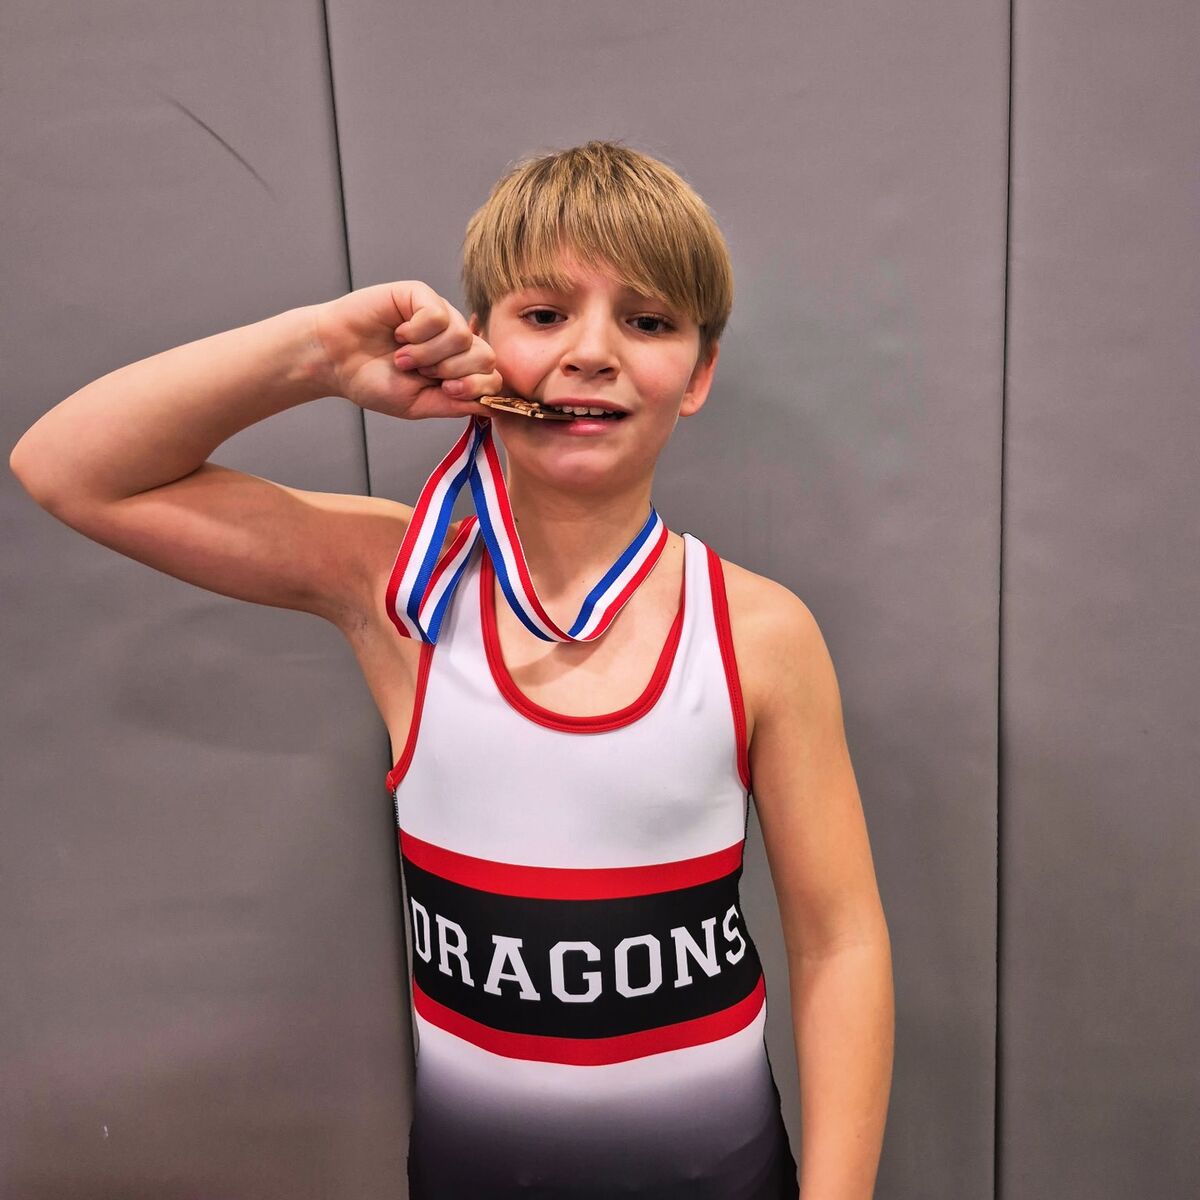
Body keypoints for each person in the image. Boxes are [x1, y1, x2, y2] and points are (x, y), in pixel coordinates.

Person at [9, 139, 894, 1198]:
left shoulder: (757, 632)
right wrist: (321, 356)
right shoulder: (400, 589)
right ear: (479, 344)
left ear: (699, 373)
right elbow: (66, 469)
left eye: (648, 321)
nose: (593, 352)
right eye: (544, 313)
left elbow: (841, 943)